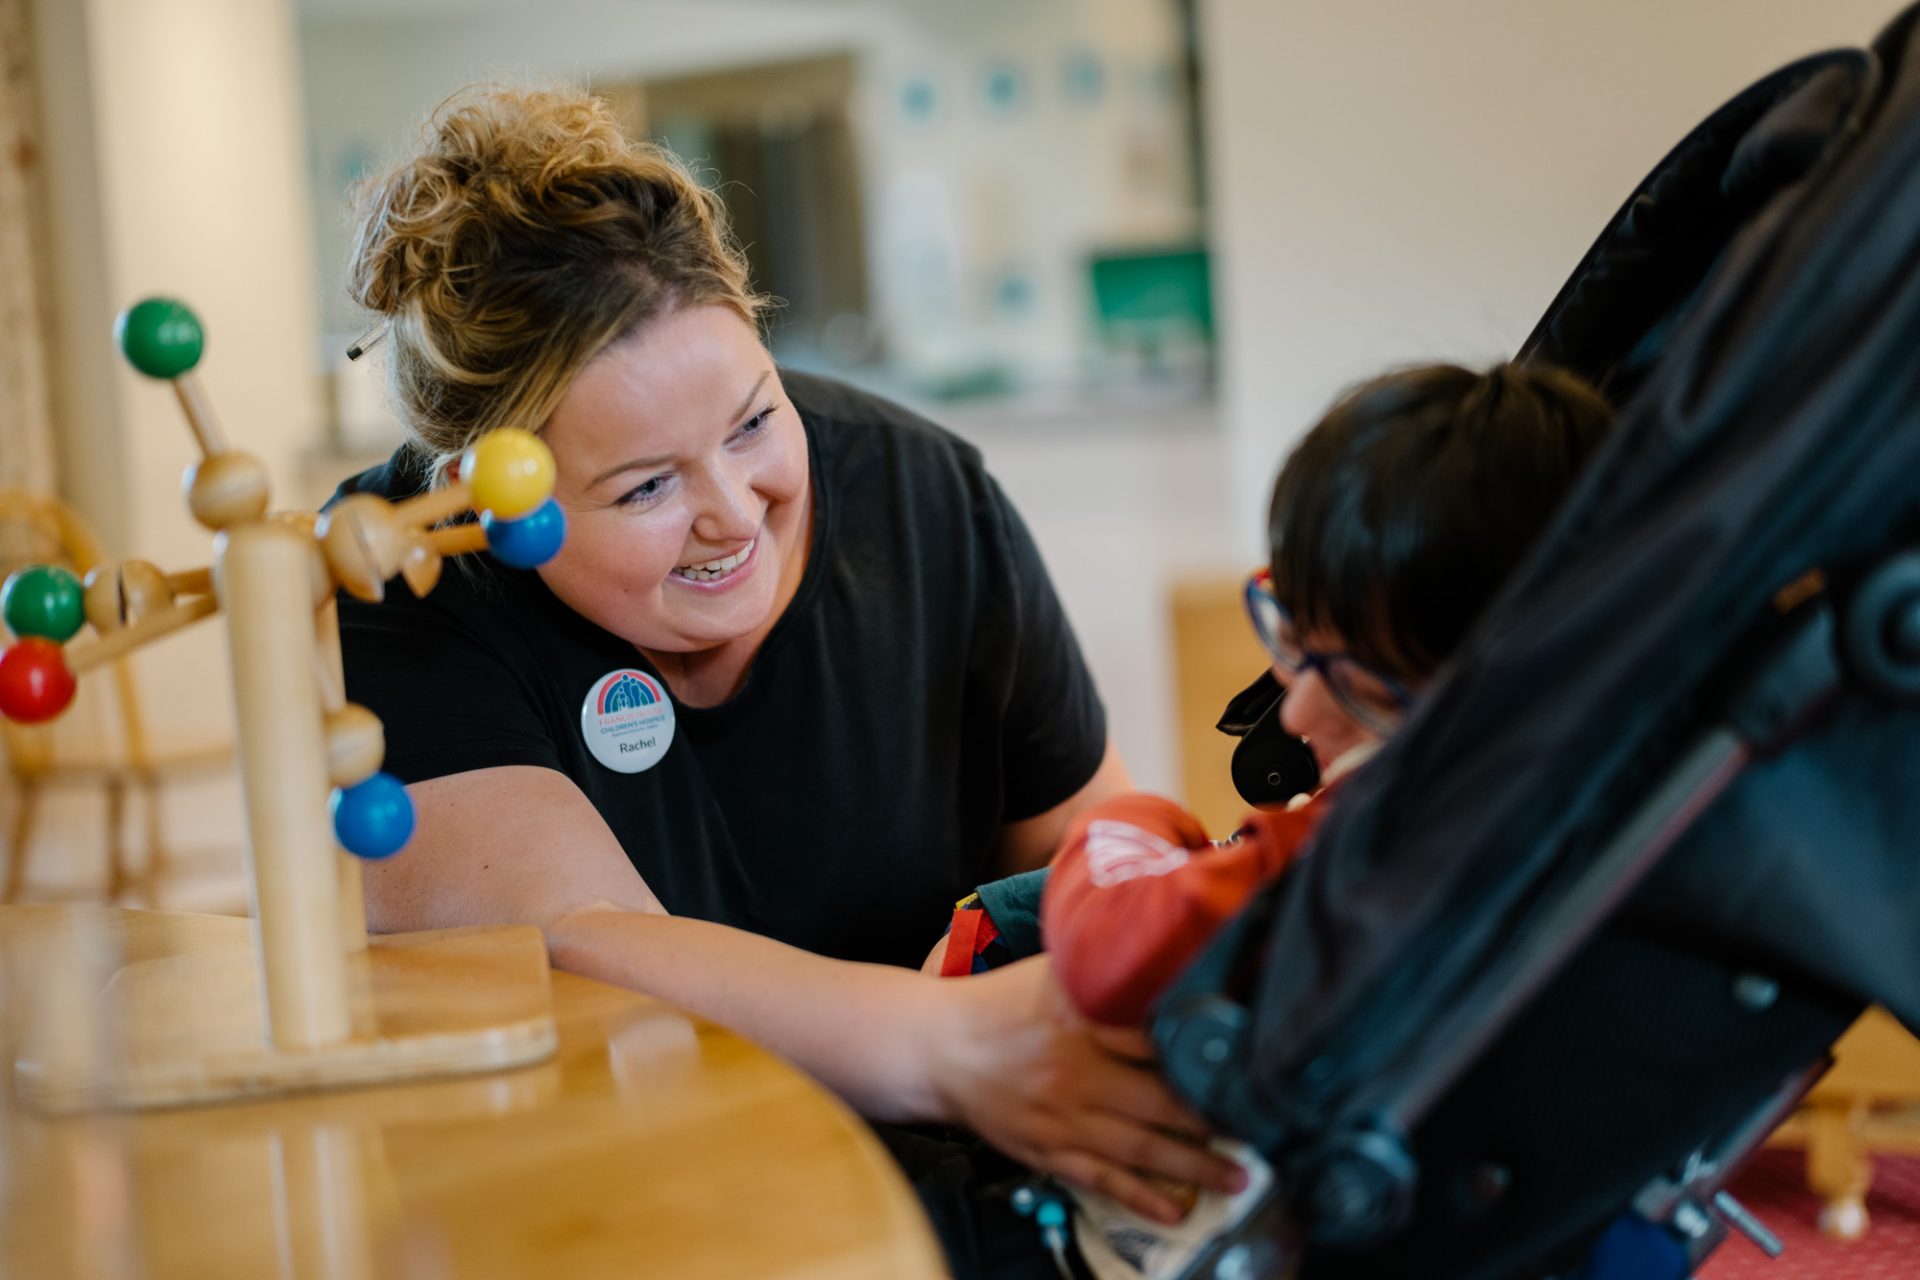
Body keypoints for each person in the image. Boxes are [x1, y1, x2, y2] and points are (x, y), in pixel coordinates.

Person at [329, 84, 1243, 1275]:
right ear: (484, 499)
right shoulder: (410, 563)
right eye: (646, 486)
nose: (731, 513)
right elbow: (576, 945)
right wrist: (952, 1044)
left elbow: (1081, 844)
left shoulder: (926, 496)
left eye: (756, 419)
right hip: (625, 1202)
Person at [925, 362, 1612, 1276]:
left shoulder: (1361, 846)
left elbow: (1108, 951)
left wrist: (1131, 821)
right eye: (1293, 639)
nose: (1293, 715)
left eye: (1359, 688)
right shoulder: (1585, 806)